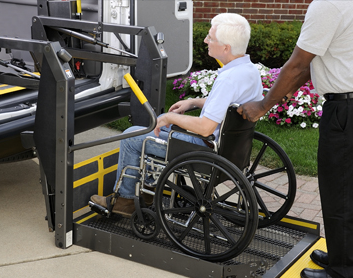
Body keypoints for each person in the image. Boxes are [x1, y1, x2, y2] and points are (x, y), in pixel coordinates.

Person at [237, 0, 353, 278]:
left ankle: (346, 275)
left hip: (347, 110)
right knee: (351, 188)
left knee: (341, 192)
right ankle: (344, 257)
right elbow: (317, 61)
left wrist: (263, 105)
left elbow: (298, 63)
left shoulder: (327, 5)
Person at [91, 13, 263, 217]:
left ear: (226, 48)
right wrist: (193, 102)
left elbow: (206, 127)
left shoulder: (228, 79)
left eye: (210, 38)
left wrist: (169, 118)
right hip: (229, 148)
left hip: (204, 148)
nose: (206, 41)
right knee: (153, 130)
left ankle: (125, 200)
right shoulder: (249, 71)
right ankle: (146, 192)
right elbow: (228, 105)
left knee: (132, 136)